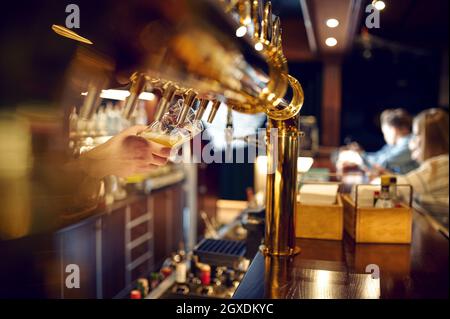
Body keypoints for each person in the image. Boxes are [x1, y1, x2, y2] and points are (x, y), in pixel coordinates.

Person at [396, 108, 449, 217]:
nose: (412, 140)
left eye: (416, 134)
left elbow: (396, 190)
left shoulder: (439, 165)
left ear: (428, 139)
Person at [338, 108, 418, 175]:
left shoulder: (410, 143)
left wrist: (357, 157)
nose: (385, 136)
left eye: (385, 132)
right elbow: (379, 156)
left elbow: (383, 162)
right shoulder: (395, 145)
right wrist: (360, 154)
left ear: (393, 130)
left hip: (410, 190)